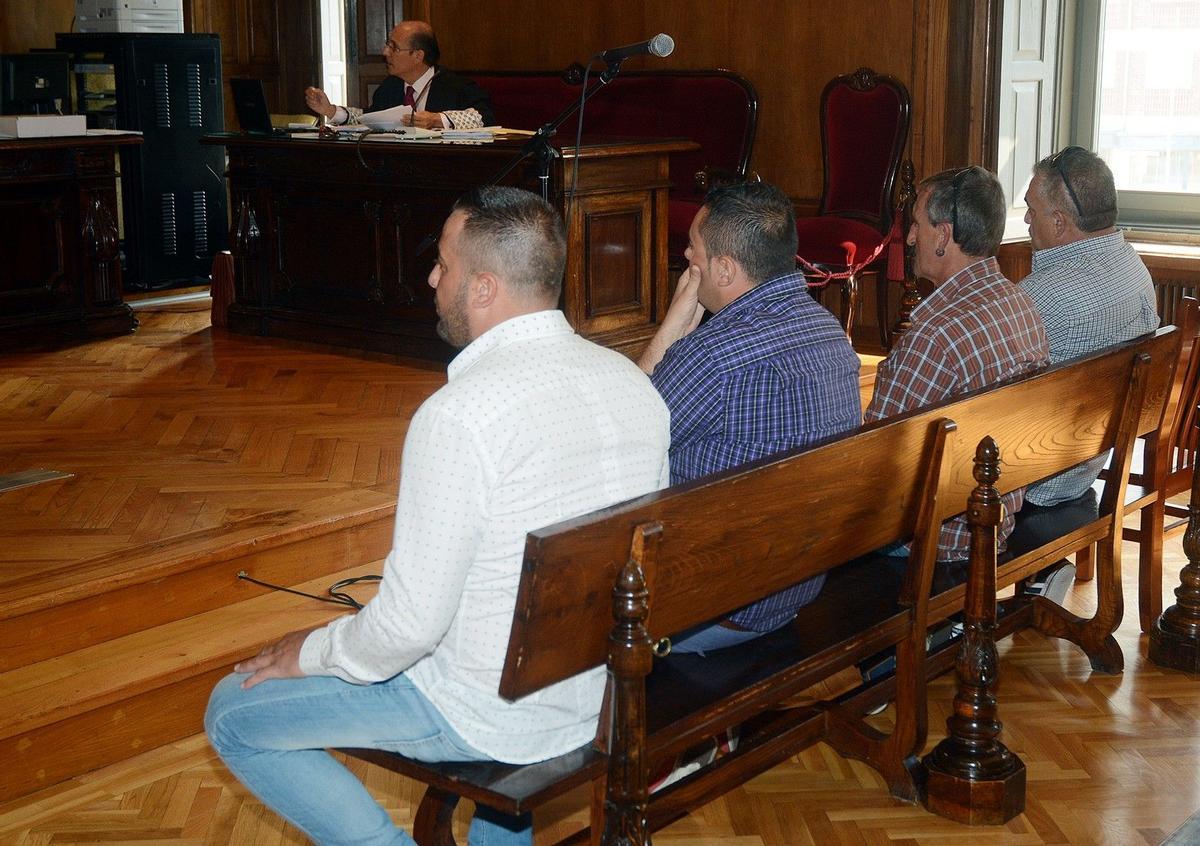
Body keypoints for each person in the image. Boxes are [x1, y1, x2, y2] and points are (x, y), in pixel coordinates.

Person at [204, 186, 670, 846]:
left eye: (443, 265)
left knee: (232, 712)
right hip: (596, 695)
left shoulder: (461, 416)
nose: (431, 279)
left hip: (489, 714)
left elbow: (408, 628)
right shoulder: (634, 386)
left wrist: (309, 652)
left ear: (483, 288)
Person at [638, 181, 862, 654]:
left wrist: (671, 329)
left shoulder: (711, 357)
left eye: (693, 248)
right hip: (798, 585)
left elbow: (626, 444)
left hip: (718, 607)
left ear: (724, 268)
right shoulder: (830, 331)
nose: (686, 256)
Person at [865, 166, 1049, 561]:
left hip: (935, 540)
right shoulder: (1020, 304)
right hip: (994, 519)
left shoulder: (934, 336)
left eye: (917, 225)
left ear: (943, 236)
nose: (910, 237)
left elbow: (875, 461)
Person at [1019, 146, 1159, 508]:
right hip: (1085, 468)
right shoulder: (1134, 267)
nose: (1027, 219)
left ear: (1059, 222)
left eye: (1032, 210)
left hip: (1032, 488)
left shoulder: (1044, 295)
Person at [305, 20, 495, 130]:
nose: (385, 52)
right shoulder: (390, 87)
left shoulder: (455, 86)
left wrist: (437, 119)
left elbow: (483, 117)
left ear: (418, 55)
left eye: (393, 47)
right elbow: (370, 119)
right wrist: (331, 110)